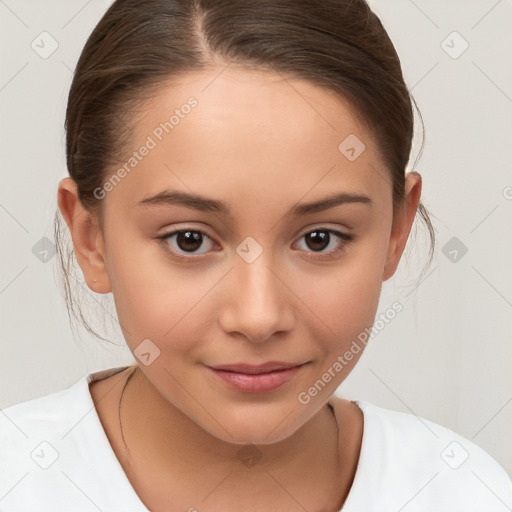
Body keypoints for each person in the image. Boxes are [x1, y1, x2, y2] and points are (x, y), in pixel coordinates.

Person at [1, 0, 511, 511]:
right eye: (189, 240)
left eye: (320, 239)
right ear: (92, 240)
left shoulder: (462, 492)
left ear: (396, 231)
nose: (259, 317)